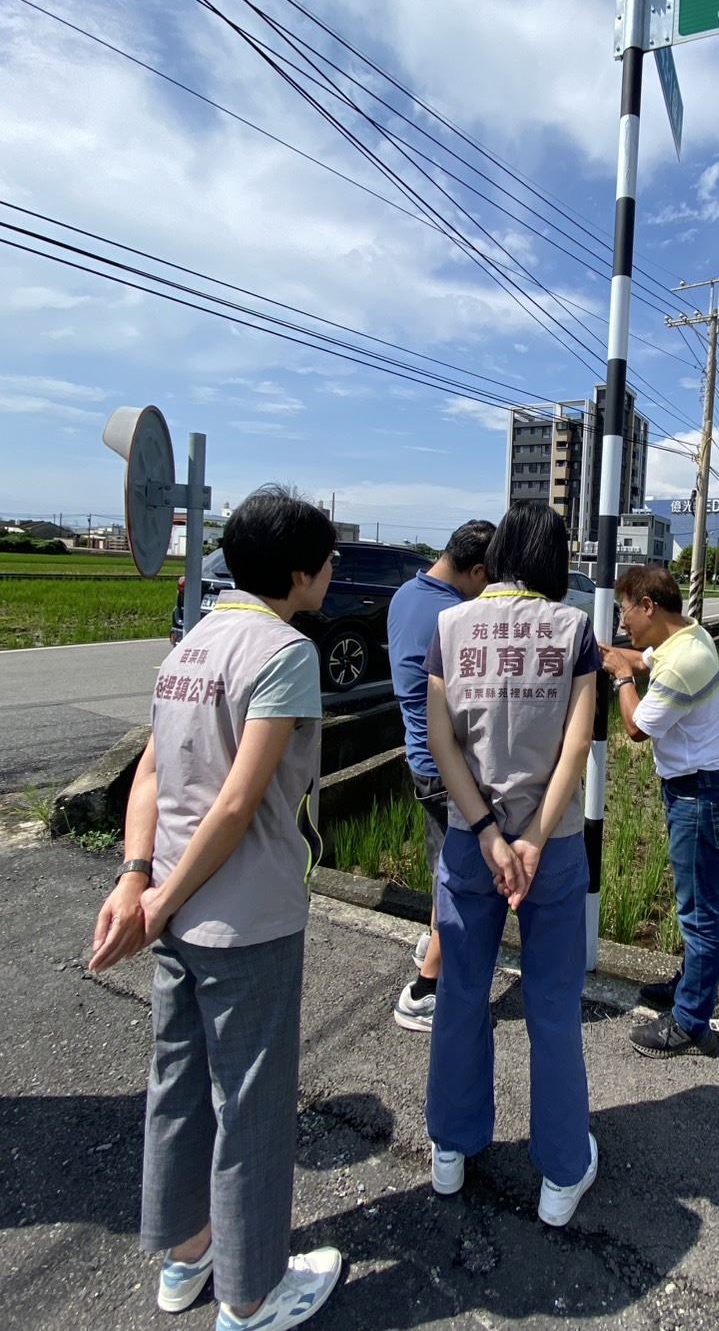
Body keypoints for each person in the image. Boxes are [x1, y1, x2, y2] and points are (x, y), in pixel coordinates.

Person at [88, 488, 343, 1331]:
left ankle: (185, 1254)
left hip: (172, 913)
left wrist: (139, 882)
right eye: (328, 559)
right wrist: (157, 895)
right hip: (246, 918)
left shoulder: (189, 645)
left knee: (178, 1084)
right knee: (253, 1103)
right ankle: (251, 1294)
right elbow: (238, 804)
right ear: (299, 573)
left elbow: (153, 776)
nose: (334, 570)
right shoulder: (285, 650)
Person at [423, 500, 601, 1227]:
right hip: (551, 848)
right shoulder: (576, 630)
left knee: (462, 993)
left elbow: (443, 743)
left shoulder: (449, 626)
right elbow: (576, 748)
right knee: (553, 1007)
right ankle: (561, 1172)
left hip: (472, 842)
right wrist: (531, 836)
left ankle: (450, 1151)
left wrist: (492, 834)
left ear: (498, 554)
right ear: (554, 557)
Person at [601, 565, 719, 1059]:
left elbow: (638, 728)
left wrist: (621, 676)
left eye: (626, 611)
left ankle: (689, 1021)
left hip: (700, 796)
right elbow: (648, 659)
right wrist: (622, 657)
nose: (623, 624)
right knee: (696, 902)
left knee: (698, 911)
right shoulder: (687, 637)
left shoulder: (683, 663)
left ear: (648, 606)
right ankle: (691, 986)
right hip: (703, 788)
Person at [387, 518, 496, 1031]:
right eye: (488, 579)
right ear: (475, 570)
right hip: (448, 767)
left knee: (443, 868)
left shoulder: (404, 594)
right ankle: (423, 992)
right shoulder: (457, 618)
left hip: (418, 754)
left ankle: (431, 946)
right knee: (459, 882)